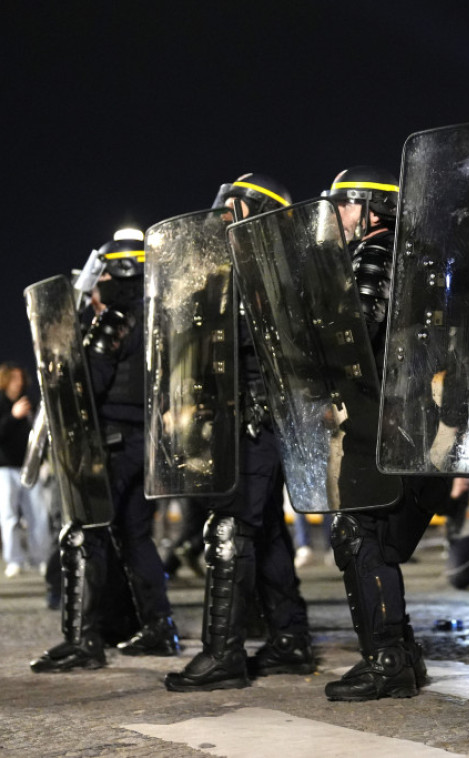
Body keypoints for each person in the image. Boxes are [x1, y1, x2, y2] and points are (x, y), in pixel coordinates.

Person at [165, 174, 314, 691]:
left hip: (253, 418)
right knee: (267, 530)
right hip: (254, 420)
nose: (224, 216)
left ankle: (223, 653)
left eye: (233, 207)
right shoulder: (260, 270)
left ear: (255, 211)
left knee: (230, 528)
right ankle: (290, 640)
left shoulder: (267, 272)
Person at [321, 166, 451, 702]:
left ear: (371, 208)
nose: (338, 217)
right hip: (409, 413)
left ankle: (388, 659)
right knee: (375, 535)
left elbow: (358, 326)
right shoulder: (416, 255)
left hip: (377, 417)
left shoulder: (374, 252)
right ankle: (402, 653)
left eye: (345, 205)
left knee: (362, 532)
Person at [32, 230, 182, 672]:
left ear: (118, 272)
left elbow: (88, 385)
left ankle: (84, 639)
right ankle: (158, 626)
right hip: (144, 441)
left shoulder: (115, 319)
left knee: (84, 532)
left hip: (113, 441)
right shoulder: (159, 316)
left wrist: (69, 346)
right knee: (135, 537)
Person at [0, 364, 50, 578]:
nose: (18, 383)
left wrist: (43, 459)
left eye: (21, 379)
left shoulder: (30, 402)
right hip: (5, 468)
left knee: (38, 515)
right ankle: (14, 560)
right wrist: (13, 415)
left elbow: (39, 435)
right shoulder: (2, 403)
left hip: (29, 468)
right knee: (9, 517)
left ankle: (41, 558)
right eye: (13, 379)